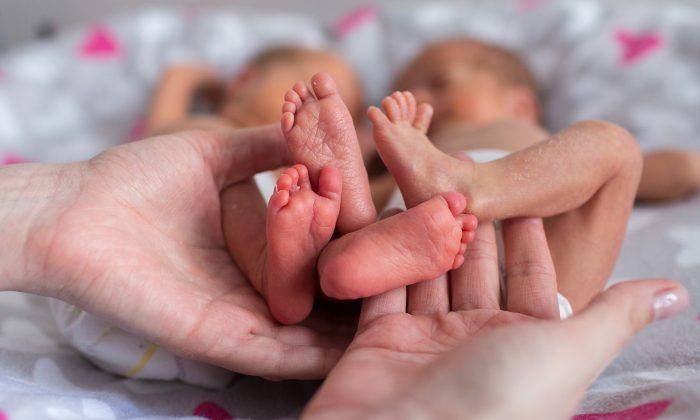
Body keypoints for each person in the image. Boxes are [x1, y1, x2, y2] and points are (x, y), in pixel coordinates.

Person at [0, 132, 687, 416]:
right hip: (505, 291)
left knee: (619, 151)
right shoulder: (395, 147)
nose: (437, 94)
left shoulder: (526, 126)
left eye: (452, 74)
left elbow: (675, 169)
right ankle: (306, 264)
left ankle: (306, 269)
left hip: (461, 229)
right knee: (615, 150)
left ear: (520, 92)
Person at [355, 39, 646, 314]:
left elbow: (630, 176)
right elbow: (358, 202)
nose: (416, 99)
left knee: (616, 145)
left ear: (520, 106)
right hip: (423, 306)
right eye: (395, 98)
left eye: (439, 83)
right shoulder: (405, 166)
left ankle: (476, 185)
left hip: (546, 292)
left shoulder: (545, 146)